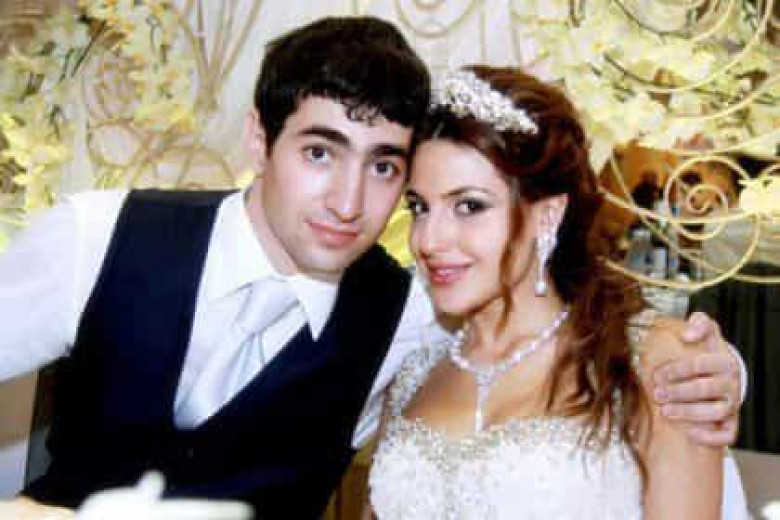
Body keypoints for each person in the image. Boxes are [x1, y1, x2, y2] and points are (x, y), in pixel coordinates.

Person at [0, 17, 743, 520]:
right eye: (320, 152)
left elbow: (557, 333)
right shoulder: (97, 235)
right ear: (259, 140)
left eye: (384, 167)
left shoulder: (413, 314)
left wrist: (717, 368)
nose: (349, 202)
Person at [367, 67, 743, 518]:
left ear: (547, 215)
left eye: (469, 206)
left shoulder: (654, 365)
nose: (428, 239)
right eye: (420, 207)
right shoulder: (413, 375)